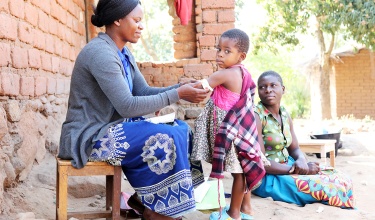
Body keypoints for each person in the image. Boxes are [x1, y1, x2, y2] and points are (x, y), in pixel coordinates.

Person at [57, 0, 210, 219]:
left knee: (182, 130)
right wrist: (178, 94)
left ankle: (149, 204)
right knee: (164, 137)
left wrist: (180, 88)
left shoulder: (123, 53)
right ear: (117, 20)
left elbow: (143, 91)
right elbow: (128, 106)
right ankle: (159, 211)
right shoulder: (101, 53)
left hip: (113, 128)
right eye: (136, 20)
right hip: (89, 137)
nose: (141, 26)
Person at [191, 28, 268, 220]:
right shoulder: (243, 73)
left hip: (228, 130)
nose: (220, 54)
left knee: (236, 172)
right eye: (219, 49)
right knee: (240, 169)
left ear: (241, 56)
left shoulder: (225, 74)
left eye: (227, 51)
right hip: (240, 130)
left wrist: (180, 89)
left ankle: (233, 213)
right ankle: (242, 209)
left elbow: (201, 87)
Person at [252, 70, 355, 209]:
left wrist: (301, 160)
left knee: (341, 178)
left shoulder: (284, 114)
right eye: (262, 87)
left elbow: (294, 149)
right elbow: (262, 163)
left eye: (273, 85)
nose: (268, 90)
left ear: (283, 89)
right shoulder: (256, 116)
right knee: (327, 188)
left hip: (289, 166)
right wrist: (299, 170)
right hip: (268, 177)